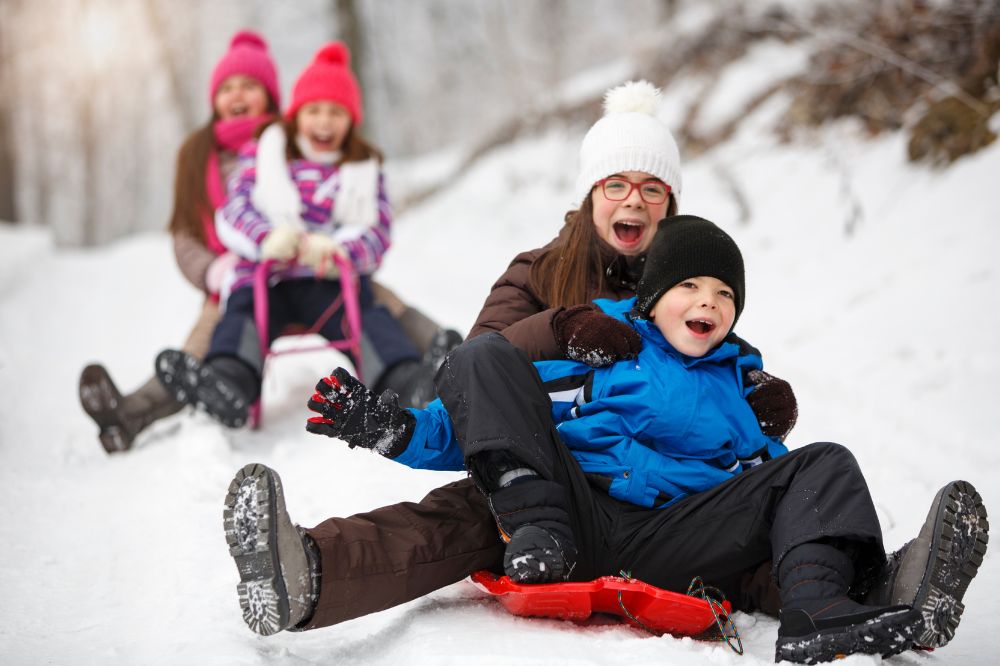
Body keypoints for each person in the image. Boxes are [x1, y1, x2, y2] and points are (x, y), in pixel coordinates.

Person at [220, 82, 799, 634]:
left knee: (759, 529)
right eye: (616, 183)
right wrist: (560, 327)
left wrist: (758, 389)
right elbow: (478, 375)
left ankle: (860, 586)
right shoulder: (539, 272)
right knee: (471, 511)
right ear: (592, 192)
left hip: (671, 499)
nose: (635, 200)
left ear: (669, 203)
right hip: (551, 483)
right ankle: (309, 573)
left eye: (653, 188)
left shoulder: (696, 285)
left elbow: (722, 372)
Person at [305, 216, 988, 662]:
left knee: (824, 466)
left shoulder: (738, 385)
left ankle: (822, 613)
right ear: (652, 297)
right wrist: (395, 432)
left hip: (676, 534)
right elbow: (492, 423)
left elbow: (779, 491)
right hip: (570, 513)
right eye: (688, 284)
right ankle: (536, 527)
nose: (707, 302)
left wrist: (815, 522)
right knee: (483, 359)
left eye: (724, 294)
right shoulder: (607, 345)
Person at [154, 42, 445, 428]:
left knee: (370, 316)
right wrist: (265, 239)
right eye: (314, 111)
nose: (324, 122)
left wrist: (338, 250)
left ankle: (403, 382)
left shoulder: (358, 170)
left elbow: (377, 230)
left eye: (335, 112)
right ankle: (229, 384)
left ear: (350, 120)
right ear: (295, 117)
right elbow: (234, 209)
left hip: (324, 279)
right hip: (267, 279)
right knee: (239, 318)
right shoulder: (263, 157)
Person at [78, 30, 282, 452]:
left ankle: (431, 361)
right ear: (214, 98)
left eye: (248, 85)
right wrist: (213, 269)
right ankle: (129, 413)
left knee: (376, 303)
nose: (236, 94)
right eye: (227, 87)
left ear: (270, 95)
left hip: (296, 269)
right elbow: (185, 232)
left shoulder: (289, 142)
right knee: (203, 341)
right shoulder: (196, 155)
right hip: (233, 281)